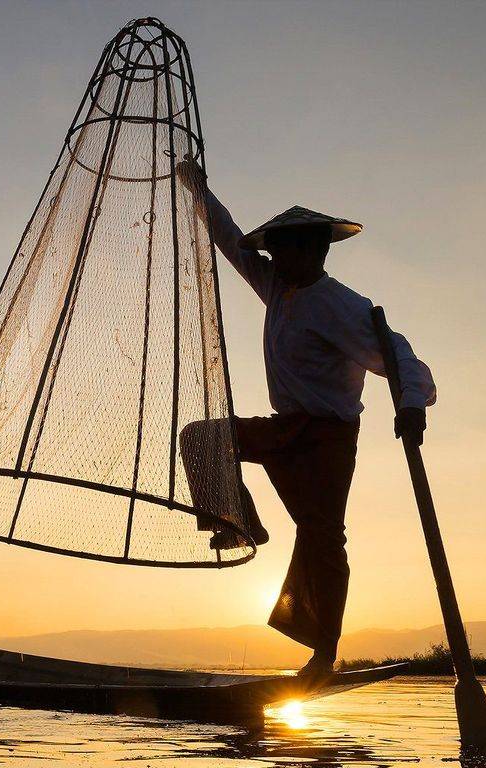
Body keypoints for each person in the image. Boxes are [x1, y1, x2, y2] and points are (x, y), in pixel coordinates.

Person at [175, 161, 436, 685]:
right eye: (271, 251)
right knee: (201, 439)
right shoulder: (278, 288)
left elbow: (399, 354)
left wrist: (411, 403)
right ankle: (238, 523)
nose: (271, 257)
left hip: (327, 437)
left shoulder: (339, 305)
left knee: (322, 538)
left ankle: (324, 653)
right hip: (285, 426)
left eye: (281, 250)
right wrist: (198, 190)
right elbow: (232, 245)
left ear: (312, 251)